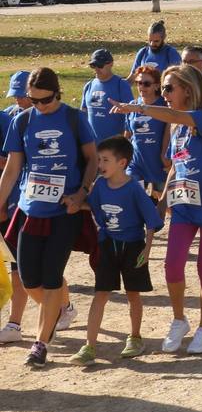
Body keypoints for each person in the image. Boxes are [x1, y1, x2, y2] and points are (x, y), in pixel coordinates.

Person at [110, 65, 202, 356]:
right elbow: (177, 165)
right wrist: (162, 200)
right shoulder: (176, 127)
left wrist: (137, 107)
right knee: (172, 264)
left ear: (188, 91)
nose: (162, 94)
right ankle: (180, 320)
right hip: (183, 205)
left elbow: (177, 115)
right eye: (162, 88)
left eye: (168, 88)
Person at [0, 68, 97, 367]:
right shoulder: (22, 120)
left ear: (57, 93)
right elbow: (13, 168)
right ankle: (63, 306)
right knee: (29, 280)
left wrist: (81, 194)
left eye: (45, 100)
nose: (40, 106)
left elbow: (93, 158)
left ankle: (41, 343)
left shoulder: (74, 118)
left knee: (52, 276)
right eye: (34, 100)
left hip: (64, 211)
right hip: (31, 209)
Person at [71, 136, 163, 363]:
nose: (100, 165)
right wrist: (74, 204)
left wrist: (147, 251)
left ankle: (135, 337)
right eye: (99, 160)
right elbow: (91, 206)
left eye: (105, 160)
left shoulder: (133, 188)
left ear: (122, 163)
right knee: (100, 293)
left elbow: (151, 221)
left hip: (133, 247)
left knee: (133, 294)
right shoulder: (100, 185)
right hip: (107, 245)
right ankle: (89, 346)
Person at [0, 73, 34, 345]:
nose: (20, 101)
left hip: (12, 205)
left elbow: (13, 167)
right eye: (17, 96)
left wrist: (4, 204)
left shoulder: (7, 122)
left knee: (20, 267)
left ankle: (15, 323)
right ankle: (64, 306)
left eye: (23, 95)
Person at [125, 66, 170, 198]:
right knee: (132, 199)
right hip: (136, 164)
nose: (141, 87)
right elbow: (128, 134)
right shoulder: (132, 105)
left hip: (159, 165)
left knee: (165, 208)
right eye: (139, 83)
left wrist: (167, 156)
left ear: (156, 86)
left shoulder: (165, 106)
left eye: (146, 84)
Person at [82, 48, 135, 142]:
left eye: (100, 65)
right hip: (93, 147)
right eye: (93, 65)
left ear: (111, 64)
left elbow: (132, 113)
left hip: (114, 147)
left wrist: (124, 140)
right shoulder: (88, 86)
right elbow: (83, 115)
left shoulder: (121, 85)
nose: (96, 69)